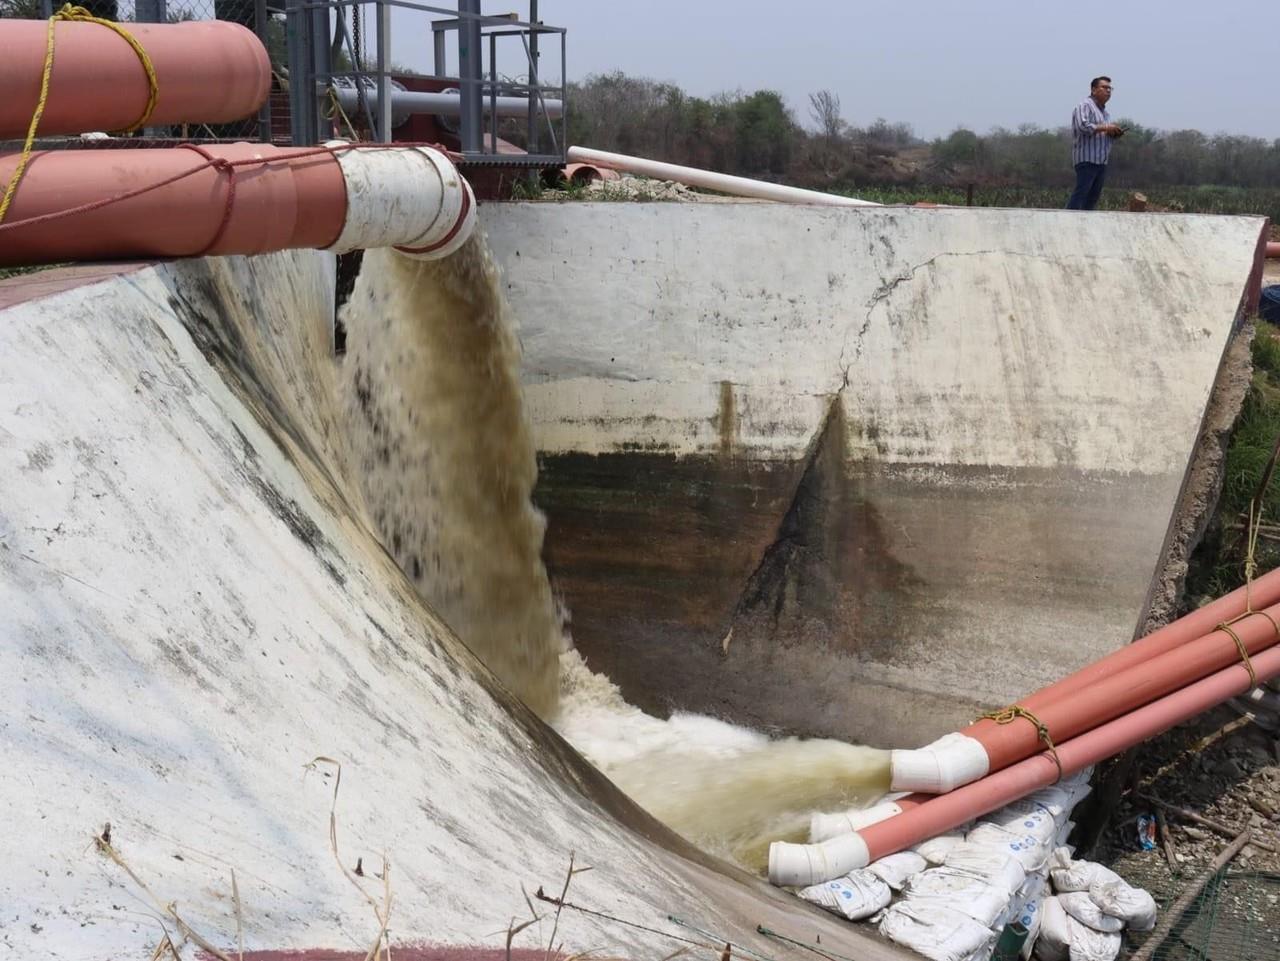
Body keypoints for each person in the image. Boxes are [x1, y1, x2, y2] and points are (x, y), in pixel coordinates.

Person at [1066, 76, 1124, 210]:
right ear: (1093, 90)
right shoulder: (1085, 105)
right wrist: (1106, 127)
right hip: (1087, 159)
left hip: (1101, 162)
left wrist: (1114, 134)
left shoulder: (1105, 113)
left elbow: (1103, 134)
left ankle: (1084, 224)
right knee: (1081, 194)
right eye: (1104, 87)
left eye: (1110, 88)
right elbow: (1083, 126)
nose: (1108, 91)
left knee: (1093, 197)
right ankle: (1067, 221)